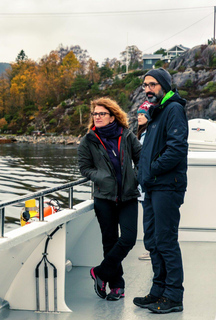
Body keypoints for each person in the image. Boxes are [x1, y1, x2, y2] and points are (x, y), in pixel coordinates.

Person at [134, 68, 188, 314]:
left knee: (165, 241)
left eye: (153, 84)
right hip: (153, 186)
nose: (148, 89)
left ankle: (173, 295)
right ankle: (158, 290)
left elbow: (176, 149)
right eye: (145, 85)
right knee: (152, 240)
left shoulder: (173, 109)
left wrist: (153, 169)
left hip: (167, 185)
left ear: (164, 86)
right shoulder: (156, 112)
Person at [78, 97, 141, 301]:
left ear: (112, 116)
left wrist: (135, 178)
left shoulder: (127, 135)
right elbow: (84, 168)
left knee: (129, 238)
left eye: (101, 114)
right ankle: (117, 285)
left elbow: (141, 159)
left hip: (128, 195)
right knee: (110, 241)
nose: (97, 117)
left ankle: (100, 273)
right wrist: (102, 178)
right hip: (104, 198)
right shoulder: (89, 140)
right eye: (95, 114)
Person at [136, 101, 151, 261]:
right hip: (142, 185)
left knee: (149, 218)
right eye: (138, 114)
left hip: (145, 185)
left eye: (142, 114)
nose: (139, 117)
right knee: (148, 217)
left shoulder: (148, 135)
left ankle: (151, 250)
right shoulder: (142, 134)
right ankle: (151, 248)